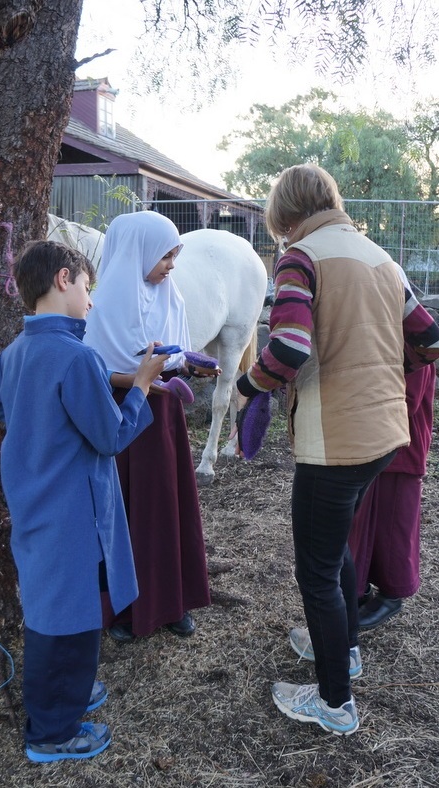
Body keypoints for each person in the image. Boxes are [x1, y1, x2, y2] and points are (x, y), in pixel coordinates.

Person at [235, 164, 439, 736]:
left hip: (335, 441)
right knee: (337, 547)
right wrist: (385, 371)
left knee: (317, 569)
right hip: (383, 434)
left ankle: (334, 702)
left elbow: (289, 348)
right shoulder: (382, 259)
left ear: (286, 215)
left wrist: (246, 387)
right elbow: (429, 340)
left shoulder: (301, 257)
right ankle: (343, 649)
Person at [0, 240, 167, 762]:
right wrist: (140, 386)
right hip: (71, 509)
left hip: (31, 500)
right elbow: (110, 436)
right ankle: (52, 732)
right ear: (64, 279)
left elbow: (0, 408)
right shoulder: (77, 357)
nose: (90, 301)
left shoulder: (12, 353)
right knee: (67, 620)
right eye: (87, 287)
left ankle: (66, 692)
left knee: (48, 606)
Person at [84, 210, 211, 642]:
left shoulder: (168, 296)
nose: (171, 267)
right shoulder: (101, 308)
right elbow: (97, 369)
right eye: (165, 257)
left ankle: (171, 600)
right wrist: (142, 377)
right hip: (122, 420)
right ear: (138, 253)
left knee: (165, 505)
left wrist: (188, 367)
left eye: (174, 257)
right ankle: (124, 609)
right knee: (126, 510)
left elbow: (175, 356)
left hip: (163, 420)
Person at [349, 362, 436, 630]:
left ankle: (391, 594)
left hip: (402, 446)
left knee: (394, 526)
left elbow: (405, 401)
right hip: (377, 444)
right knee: (364, 523)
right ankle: (359, 589)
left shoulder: (414, 341)